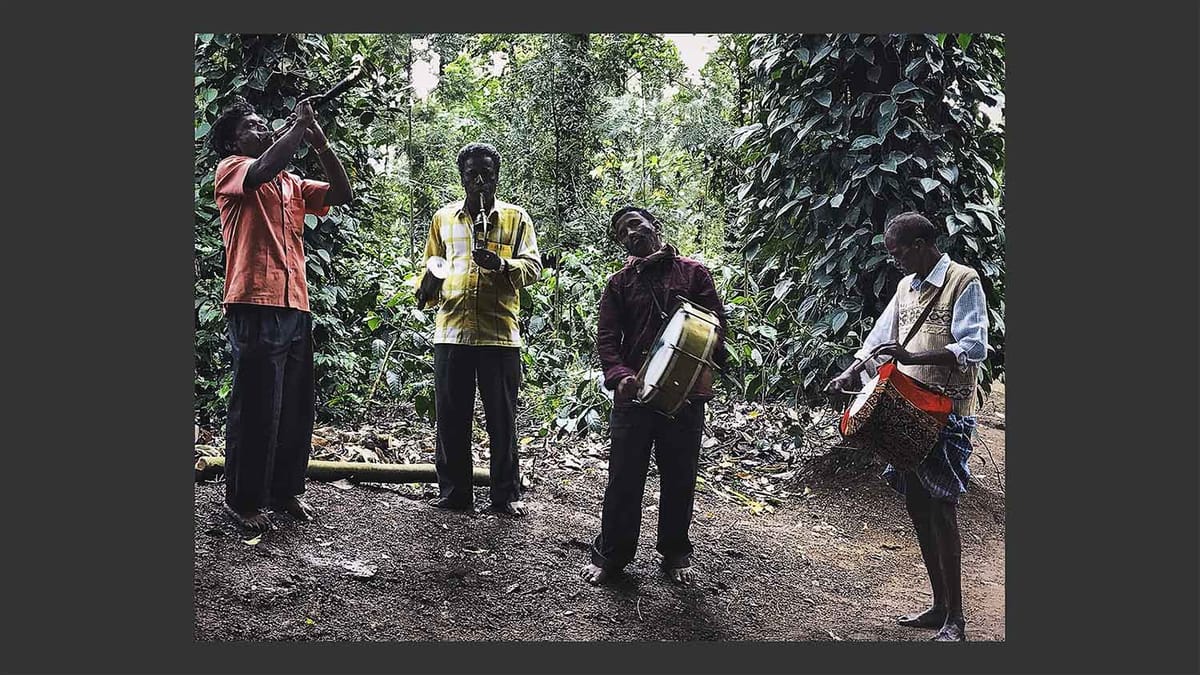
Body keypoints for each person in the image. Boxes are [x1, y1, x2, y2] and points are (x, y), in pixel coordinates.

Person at [825, 211, 988, 642]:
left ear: (919, 245)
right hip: (908, 410)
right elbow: (880, 338)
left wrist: (915, 359)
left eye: (897, 252)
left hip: (947, 412)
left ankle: (957, 619)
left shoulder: (963, 280)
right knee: (918, 505)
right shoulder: (905, 286)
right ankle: (938, 607)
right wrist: (852, 370)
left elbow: (974, 346)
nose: (894, 260)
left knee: (943, 508)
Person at [209, 96, 352, 532]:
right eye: (253, 125)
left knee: (294, 405)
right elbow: (263, 168)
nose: (263, 129)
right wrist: (296, 129)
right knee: (255, 406)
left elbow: (343, 193)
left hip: (296, 305)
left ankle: (284, 491)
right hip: (254, 301)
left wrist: (320, 141)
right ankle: (243, 500)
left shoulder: (290, 183)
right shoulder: (233, 169)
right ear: (235, 139)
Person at [580, 206, 727, 585]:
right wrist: (620, 376)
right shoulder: (618, 283)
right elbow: (608, 340)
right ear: (620, 242)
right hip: (636, 395)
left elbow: (715, 326)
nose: (630, 233)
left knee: (679, 477)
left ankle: (675, 553)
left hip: (687, 394)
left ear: (654, 226)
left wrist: (699, 362)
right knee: (624, 478)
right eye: (622, 231)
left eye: (635, 224)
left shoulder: (694, 273)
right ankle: (612, 555)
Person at [415, 143, 542, 517]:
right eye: (472, 174)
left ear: (497, 176)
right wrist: (426, 285)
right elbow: (432, 264)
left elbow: (533, 268)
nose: (480, 181)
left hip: (499, 334)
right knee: (451, 417)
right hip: (451, 332)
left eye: (487, 174)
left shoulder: (516, 218)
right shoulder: (443, 219)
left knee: (502, 419)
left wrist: (502, 265)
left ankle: (505, 495)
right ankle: (455, 493)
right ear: (462, 177)